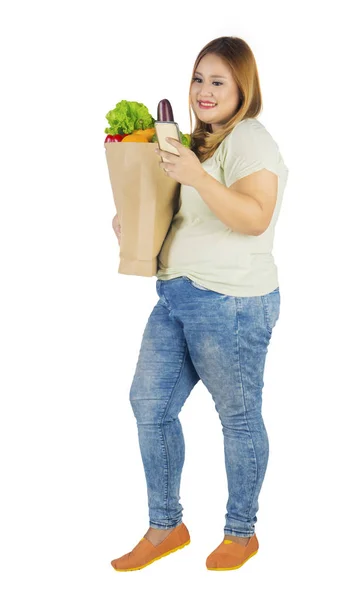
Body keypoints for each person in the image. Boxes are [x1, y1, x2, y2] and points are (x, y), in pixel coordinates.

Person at [110, 36, 289, 572]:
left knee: (237, 418)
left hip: (231, 301)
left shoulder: (250, 139)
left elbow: (255, 216)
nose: (204, 91)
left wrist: (194, 177)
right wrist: (134, 223)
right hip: (177, 293)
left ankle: (242, 532)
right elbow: (191, 219)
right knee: (150, 404)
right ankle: (167, 525)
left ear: (243, 90)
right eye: (198, 78)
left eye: (219, 82)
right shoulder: (197, 142)